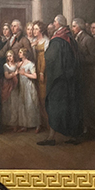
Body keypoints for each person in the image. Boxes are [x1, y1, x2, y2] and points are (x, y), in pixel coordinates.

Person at [37, 14, 83, 145]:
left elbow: (51, 58)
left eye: (54, 22)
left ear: (58, 24)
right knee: (68, 105)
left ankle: (52, 137)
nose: (53, 24)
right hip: (68, 78)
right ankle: (71, 136)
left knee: (55, 106)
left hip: (59, 79)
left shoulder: (58, 40)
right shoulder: (69, 37)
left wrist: (45, 54)